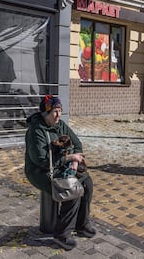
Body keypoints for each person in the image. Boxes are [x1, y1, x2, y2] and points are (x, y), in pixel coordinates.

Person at [24, 95, 95, 251]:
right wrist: (69, 157)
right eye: (54, 111)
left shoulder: (61, 125)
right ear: (45, 113)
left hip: (61, 167)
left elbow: (77, 144)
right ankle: (62, 235)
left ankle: (81, 224)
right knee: (71, 190)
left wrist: (75, 162)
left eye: (60, 110)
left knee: (86, 183)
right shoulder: (36, 131)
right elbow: (41, 160)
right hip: (40, 171)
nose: (58, 115)